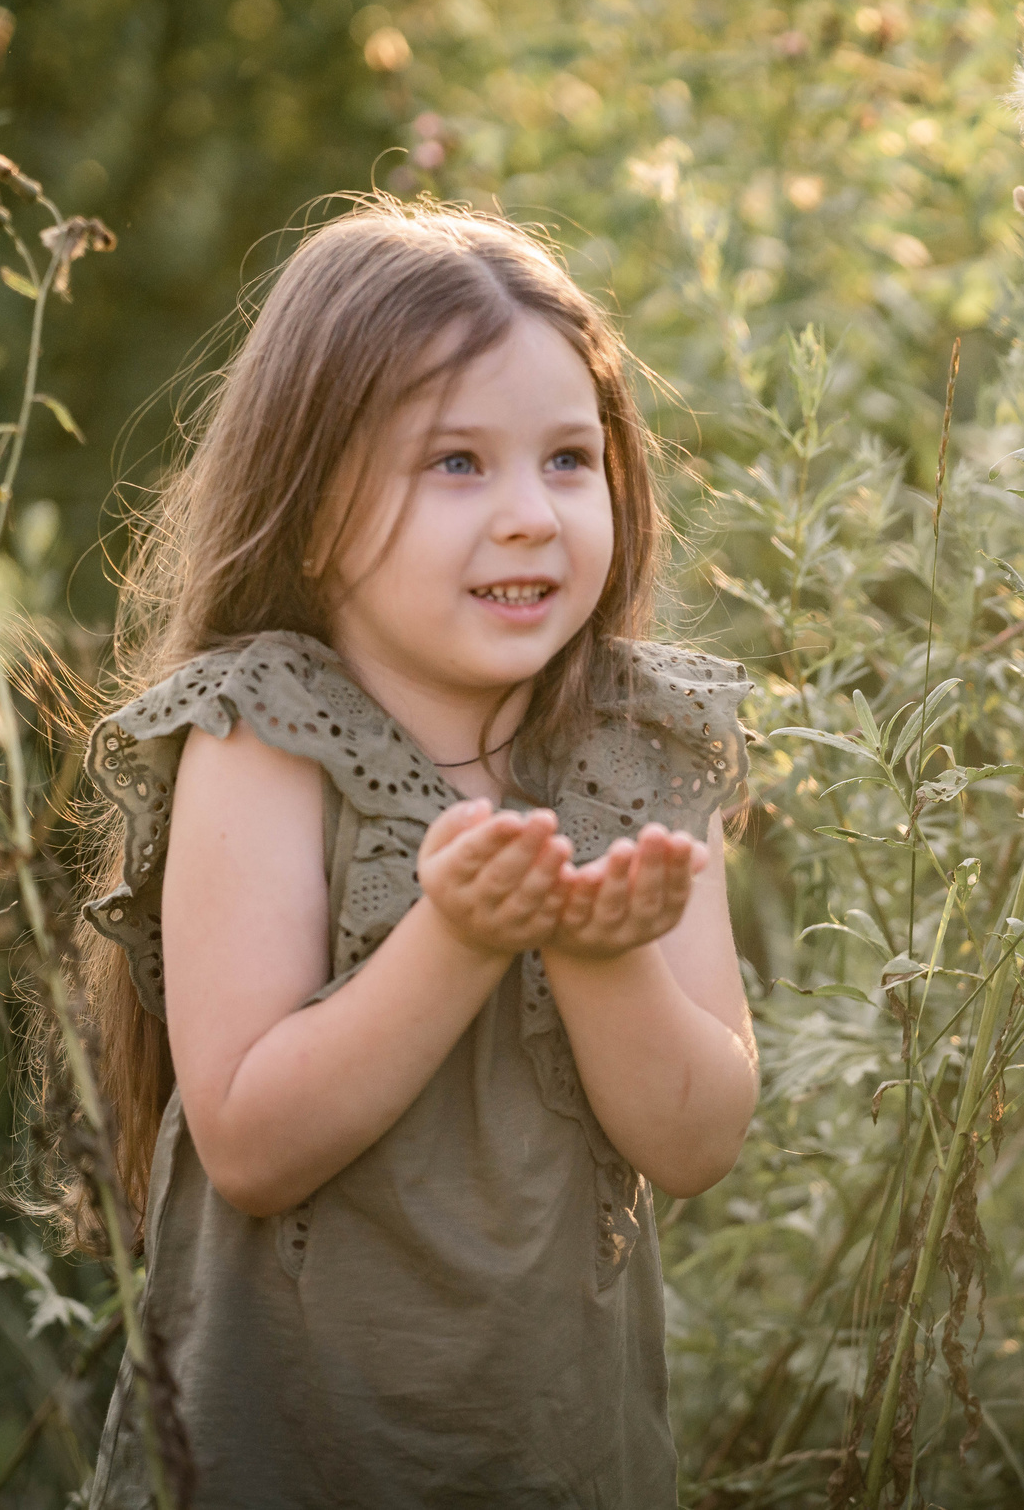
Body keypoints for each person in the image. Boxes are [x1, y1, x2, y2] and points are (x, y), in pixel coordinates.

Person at [70, 197, 760, 1507]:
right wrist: (459, 939)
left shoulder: (639, 744)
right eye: (456, 463)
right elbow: (252, 1142)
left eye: (569, 459)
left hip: (558, 1459)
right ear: (309, 501)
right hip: (282, 1460)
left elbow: (697, 1142)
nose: (531, 516)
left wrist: (600, 955)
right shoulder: (262, 736)